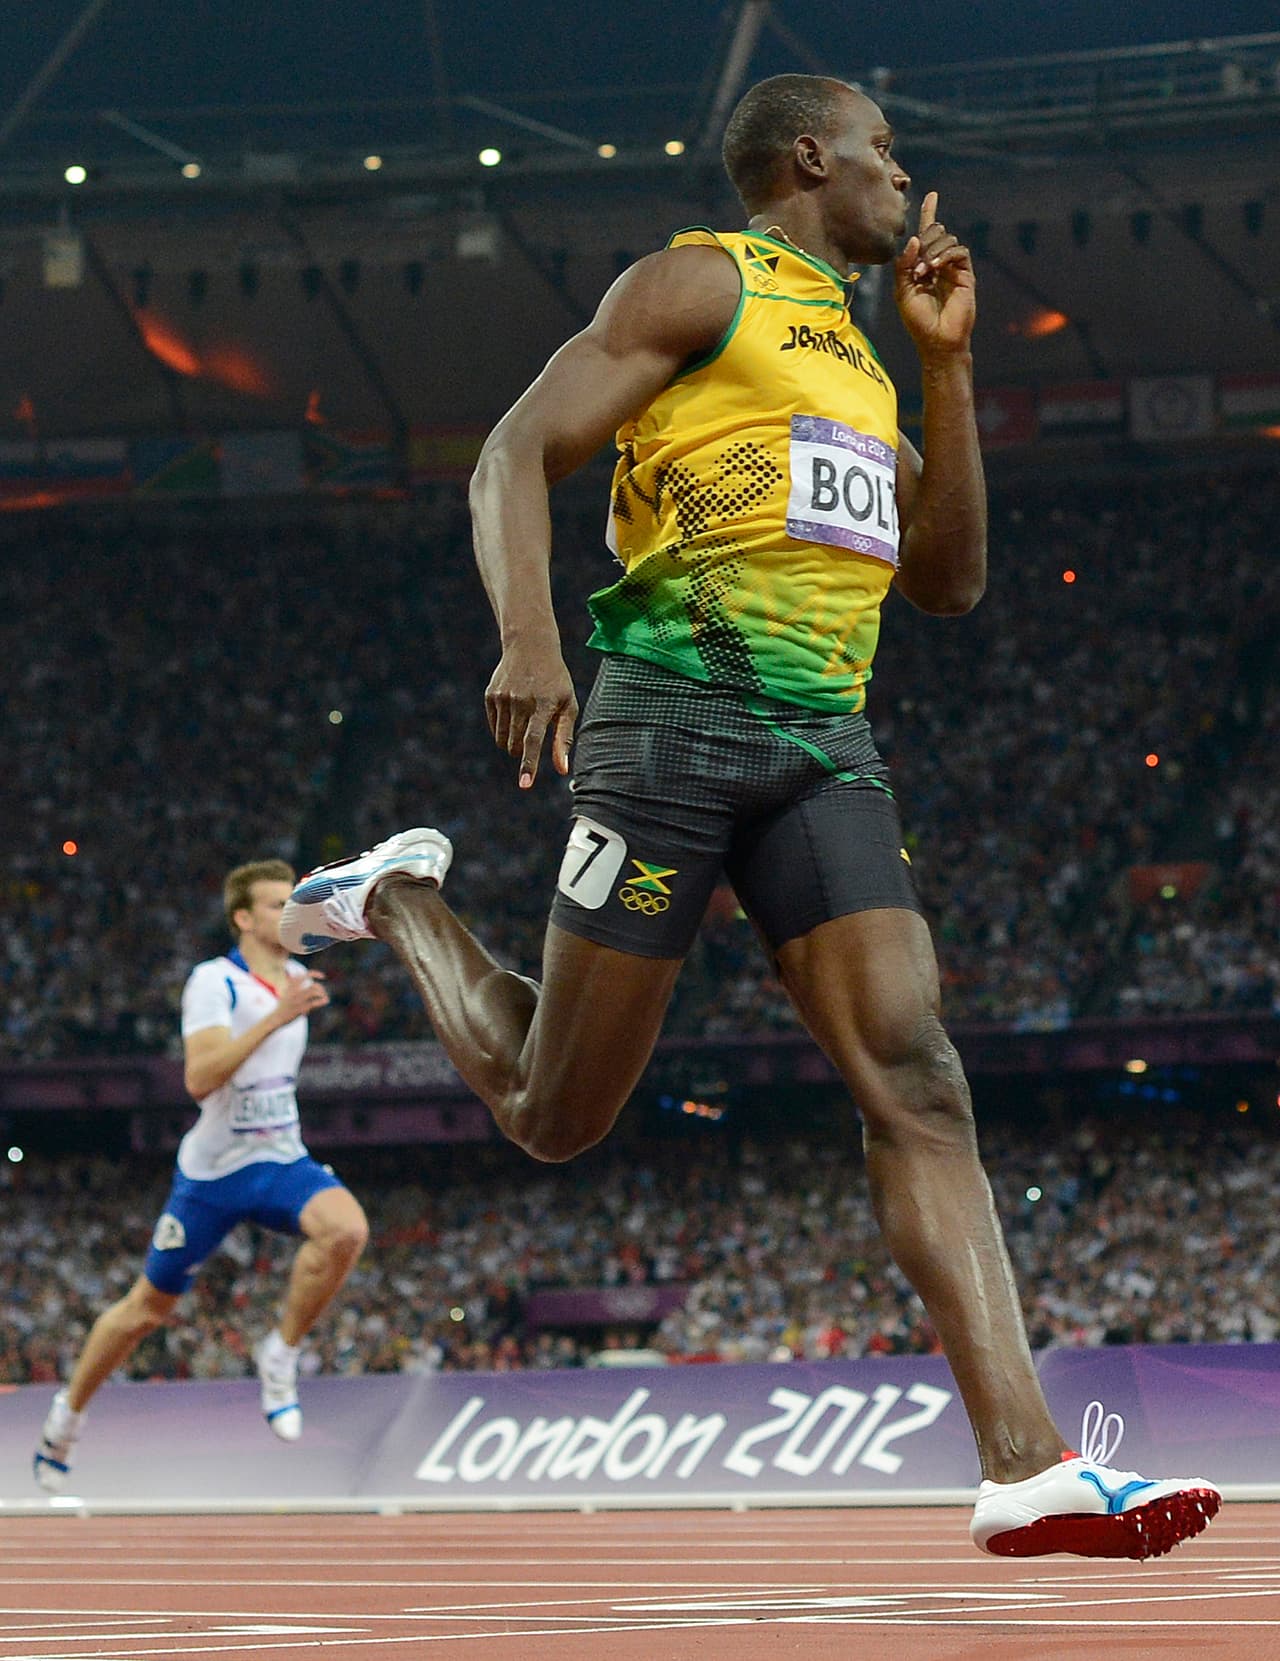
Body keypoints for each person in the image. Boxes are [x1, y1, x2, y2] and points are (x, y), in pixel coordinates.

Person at [280, 75, 1219, 1558]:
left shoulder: (858, 363)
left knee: (917, 1075)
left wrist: (946, 368)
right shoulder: (697, 284)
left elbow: (951, 579)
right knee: (553, 1113)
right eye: (882, 150)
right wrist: (529, 637)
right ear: (807, 157)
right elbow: (510, 452)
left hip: (822, 745)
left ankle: (1025, 1464)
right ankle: (400, 896)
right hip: (670, 722)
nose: (903, 174)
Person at [34, 860, 368, 1491]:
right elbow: (199, 1079)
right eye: (275, 904)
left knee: (347, 1230)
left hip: (280, 1158)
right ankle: (66, 1418)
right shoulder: (215, 982)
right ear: (243, 917)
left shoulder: (300, 976)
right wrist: (277, 1016)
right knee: (146, 1311)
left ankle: (281, 1354)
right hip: (213, 1175)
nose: (288, 911)